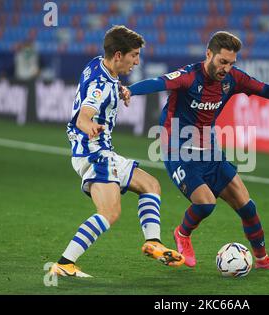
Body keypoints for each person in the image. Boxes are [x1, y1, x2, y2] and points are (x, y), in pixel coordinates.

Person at [127, 31, 269, 269]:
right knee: (206, 204)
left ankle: (262, 259)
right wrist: (129, 90)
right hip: (177, 150)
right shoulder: (189, 76)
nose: (227, 68)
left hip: (209, 149)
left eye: (231, 63)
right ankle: (182, 234)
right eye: (222, 62)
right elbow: (157, 83)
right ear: (209, 54)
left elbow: (264, 89)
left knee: (247, 206)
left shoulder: (234, 79)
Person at [49, 26, 184, 278]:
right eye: (134, 55)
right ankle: (65, 263)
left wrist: (119, 89)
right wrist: (90, 125)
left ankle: (153, 241)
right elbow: (83, 116)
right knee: (110, 213)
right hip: (95, 153)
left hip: (101, 152)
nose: (137, 61)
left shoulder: (99, 65)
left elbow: (104, 81)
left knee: (150, 185)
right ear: (119, 55)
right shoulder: (100, 85)